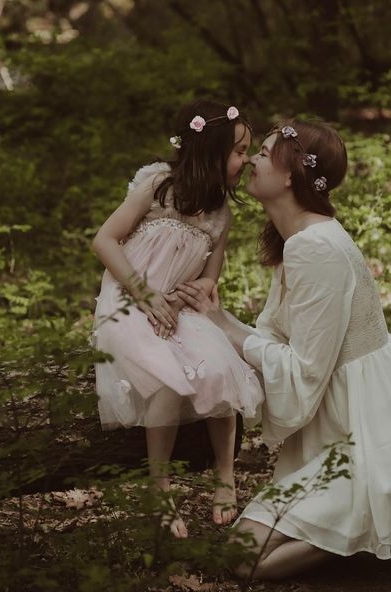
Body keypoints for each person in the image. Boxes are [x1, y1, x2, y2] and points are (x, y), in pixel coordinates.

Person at [176, 120, 391, 584]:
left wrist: (223, 327)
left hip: (367, 433)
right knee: (244, 553)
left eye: (263, 152)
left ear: (290, 174)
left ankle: (388, 520)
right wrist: (219, 318)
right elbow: (282, 344)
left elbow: (304, 371)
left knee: (244, 559)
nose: (251, 159)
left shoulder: (315, 247)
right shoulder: (303, 239)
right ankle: (390, 524)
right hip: (348, 419)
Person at [91, 99, 264, 538]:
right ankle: (160, 487)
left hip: (179, 307)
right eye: (240, 152)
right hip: (131, 300)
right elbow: (105, 241)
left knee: (222, 364)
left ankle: (225, 475)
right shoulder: (157, 184)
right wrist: (145, 294)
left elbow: (211, 273)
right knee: (168, 377)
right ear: (210, 151)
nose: (246, 160)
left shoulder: (220, 213)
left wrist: (203, 288)